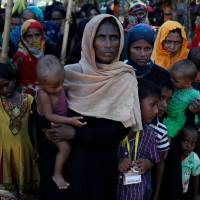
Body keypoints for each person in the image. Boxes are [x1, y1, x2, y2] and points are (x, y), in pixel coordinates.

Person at [39, 14, 142, 200]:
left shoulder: (125, 78)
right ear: (89, 40)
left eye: (114, 37)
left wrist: (75, 134)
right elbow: (43, 113)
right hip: (64, 167)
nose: (109, 44)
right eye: (101, 37)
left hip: (98, 169)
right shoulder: (68, 74)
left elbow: (118, 131)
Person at [36, 55, 86, 189]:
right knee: (65, 148)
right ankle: (57, 174)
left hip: (62, 121)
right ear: (41, 84)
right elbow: (49, 116)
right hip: (52, 125)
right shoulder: (44, 94)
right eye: (54, 87)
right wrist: (70, 121)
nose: (59, 89)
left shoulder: (57, 86)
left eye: (61, 83)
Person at [0, 63, 39, 199]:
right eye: (0, 88)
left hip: (24, 148)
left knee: (24, 189)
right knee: (7, 191)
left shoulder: (28, 100)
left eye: (6, 84)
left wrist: (35, 146)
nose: (4, 90)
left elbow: (33, 124)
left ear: (14, 80)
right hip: (3, 150)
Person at [117, 79, 160, 200]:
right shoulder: (114, 131)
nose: (156, 110)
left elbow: (153, 161)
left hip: (136, 194)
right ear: (135, 103)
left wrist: (147, 164)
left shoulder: (149, 134)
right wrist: (118, 162)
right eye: (152, 105)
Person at [163, 59, 200, 139]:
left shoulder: (192, 93)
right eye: (171, 78)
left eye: (175, 81)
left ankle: (164, 150)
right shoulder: (175, 87)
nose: (172, 81)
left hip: (176, 120)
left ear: (188, 83)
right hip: (166, 115)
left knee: (167, 134)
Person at [12, 19, 45, 95]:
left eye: (37, 35)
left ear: (42, 35)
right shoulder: (20, 55)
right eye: (29, 36)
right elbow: (22, 83)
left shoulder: (43, 49)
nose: (34, 39)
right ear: (23, 38)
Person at [179, 125, 200, 200]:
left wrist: (196, 195)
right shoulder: (174, 156)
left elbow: (196, 178)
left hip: (185, 193)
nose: (189, 146)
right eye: (186, 141)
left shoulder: (194, 158)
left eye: (193, 143)